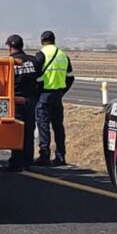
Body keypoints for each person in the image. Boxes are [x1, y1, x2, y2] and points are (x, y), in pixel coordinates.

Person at [0, 34, 40, 173]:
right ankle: (27, 162)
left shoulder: (8, 62)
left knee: (17, 132)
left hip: (15, 100)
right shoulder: (34, 61)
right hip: (30, 100)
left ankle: (16, 163)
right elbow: (40, 81)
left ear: (10, 47)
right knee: (29, 131)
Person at [33, 30, 74, 166]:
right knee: (58, 127)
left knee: (43, 126)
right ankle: (60, 156)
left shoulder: (41, 55)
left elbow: (35, 77)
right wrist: (62, 91)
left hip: (44, 95)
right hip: (57, 96)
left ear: (42, 41)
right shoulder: (63, 55)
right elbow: (70, 77)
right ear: (54, 40)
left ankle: (44, 155)